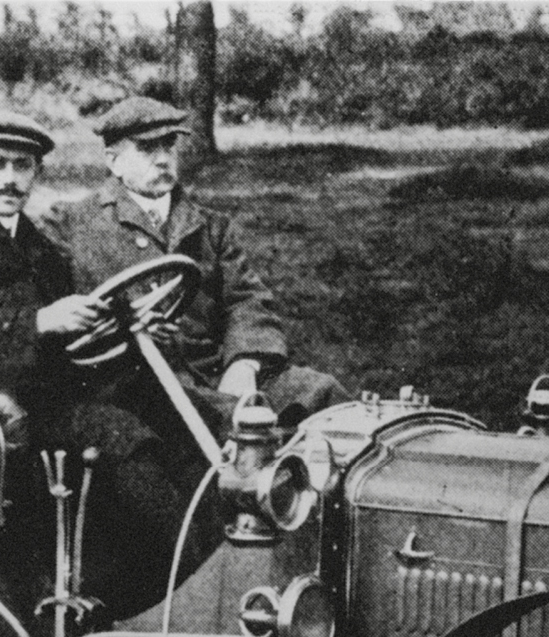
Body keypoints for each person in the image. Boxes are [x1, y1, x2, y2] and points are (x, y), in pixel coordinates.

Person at [0, 110, 204, 618]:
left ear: (36, 174)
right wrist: (40, 321)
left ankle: (200, 579)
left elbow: (77, 328)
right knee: (123, 439)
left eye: (23, 166)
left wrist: (119, 328)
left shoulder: (38, 245)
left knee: (186, 420)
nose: (9, 179)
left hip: (61, 391)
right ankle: (184, 595)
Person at [41, 95, 347, 435]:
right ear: (114, 162)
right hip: (135, 384)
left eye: (169, 146)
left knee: (323, 394)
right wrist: (119, 321)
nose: (162, 160)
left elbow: (246, 300)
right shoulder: (70, 225)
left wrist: (243, 363)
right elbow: (51, 313)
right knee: (236, 429)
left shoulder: (211, 226)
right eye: (146, 149)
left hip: (215, 372)